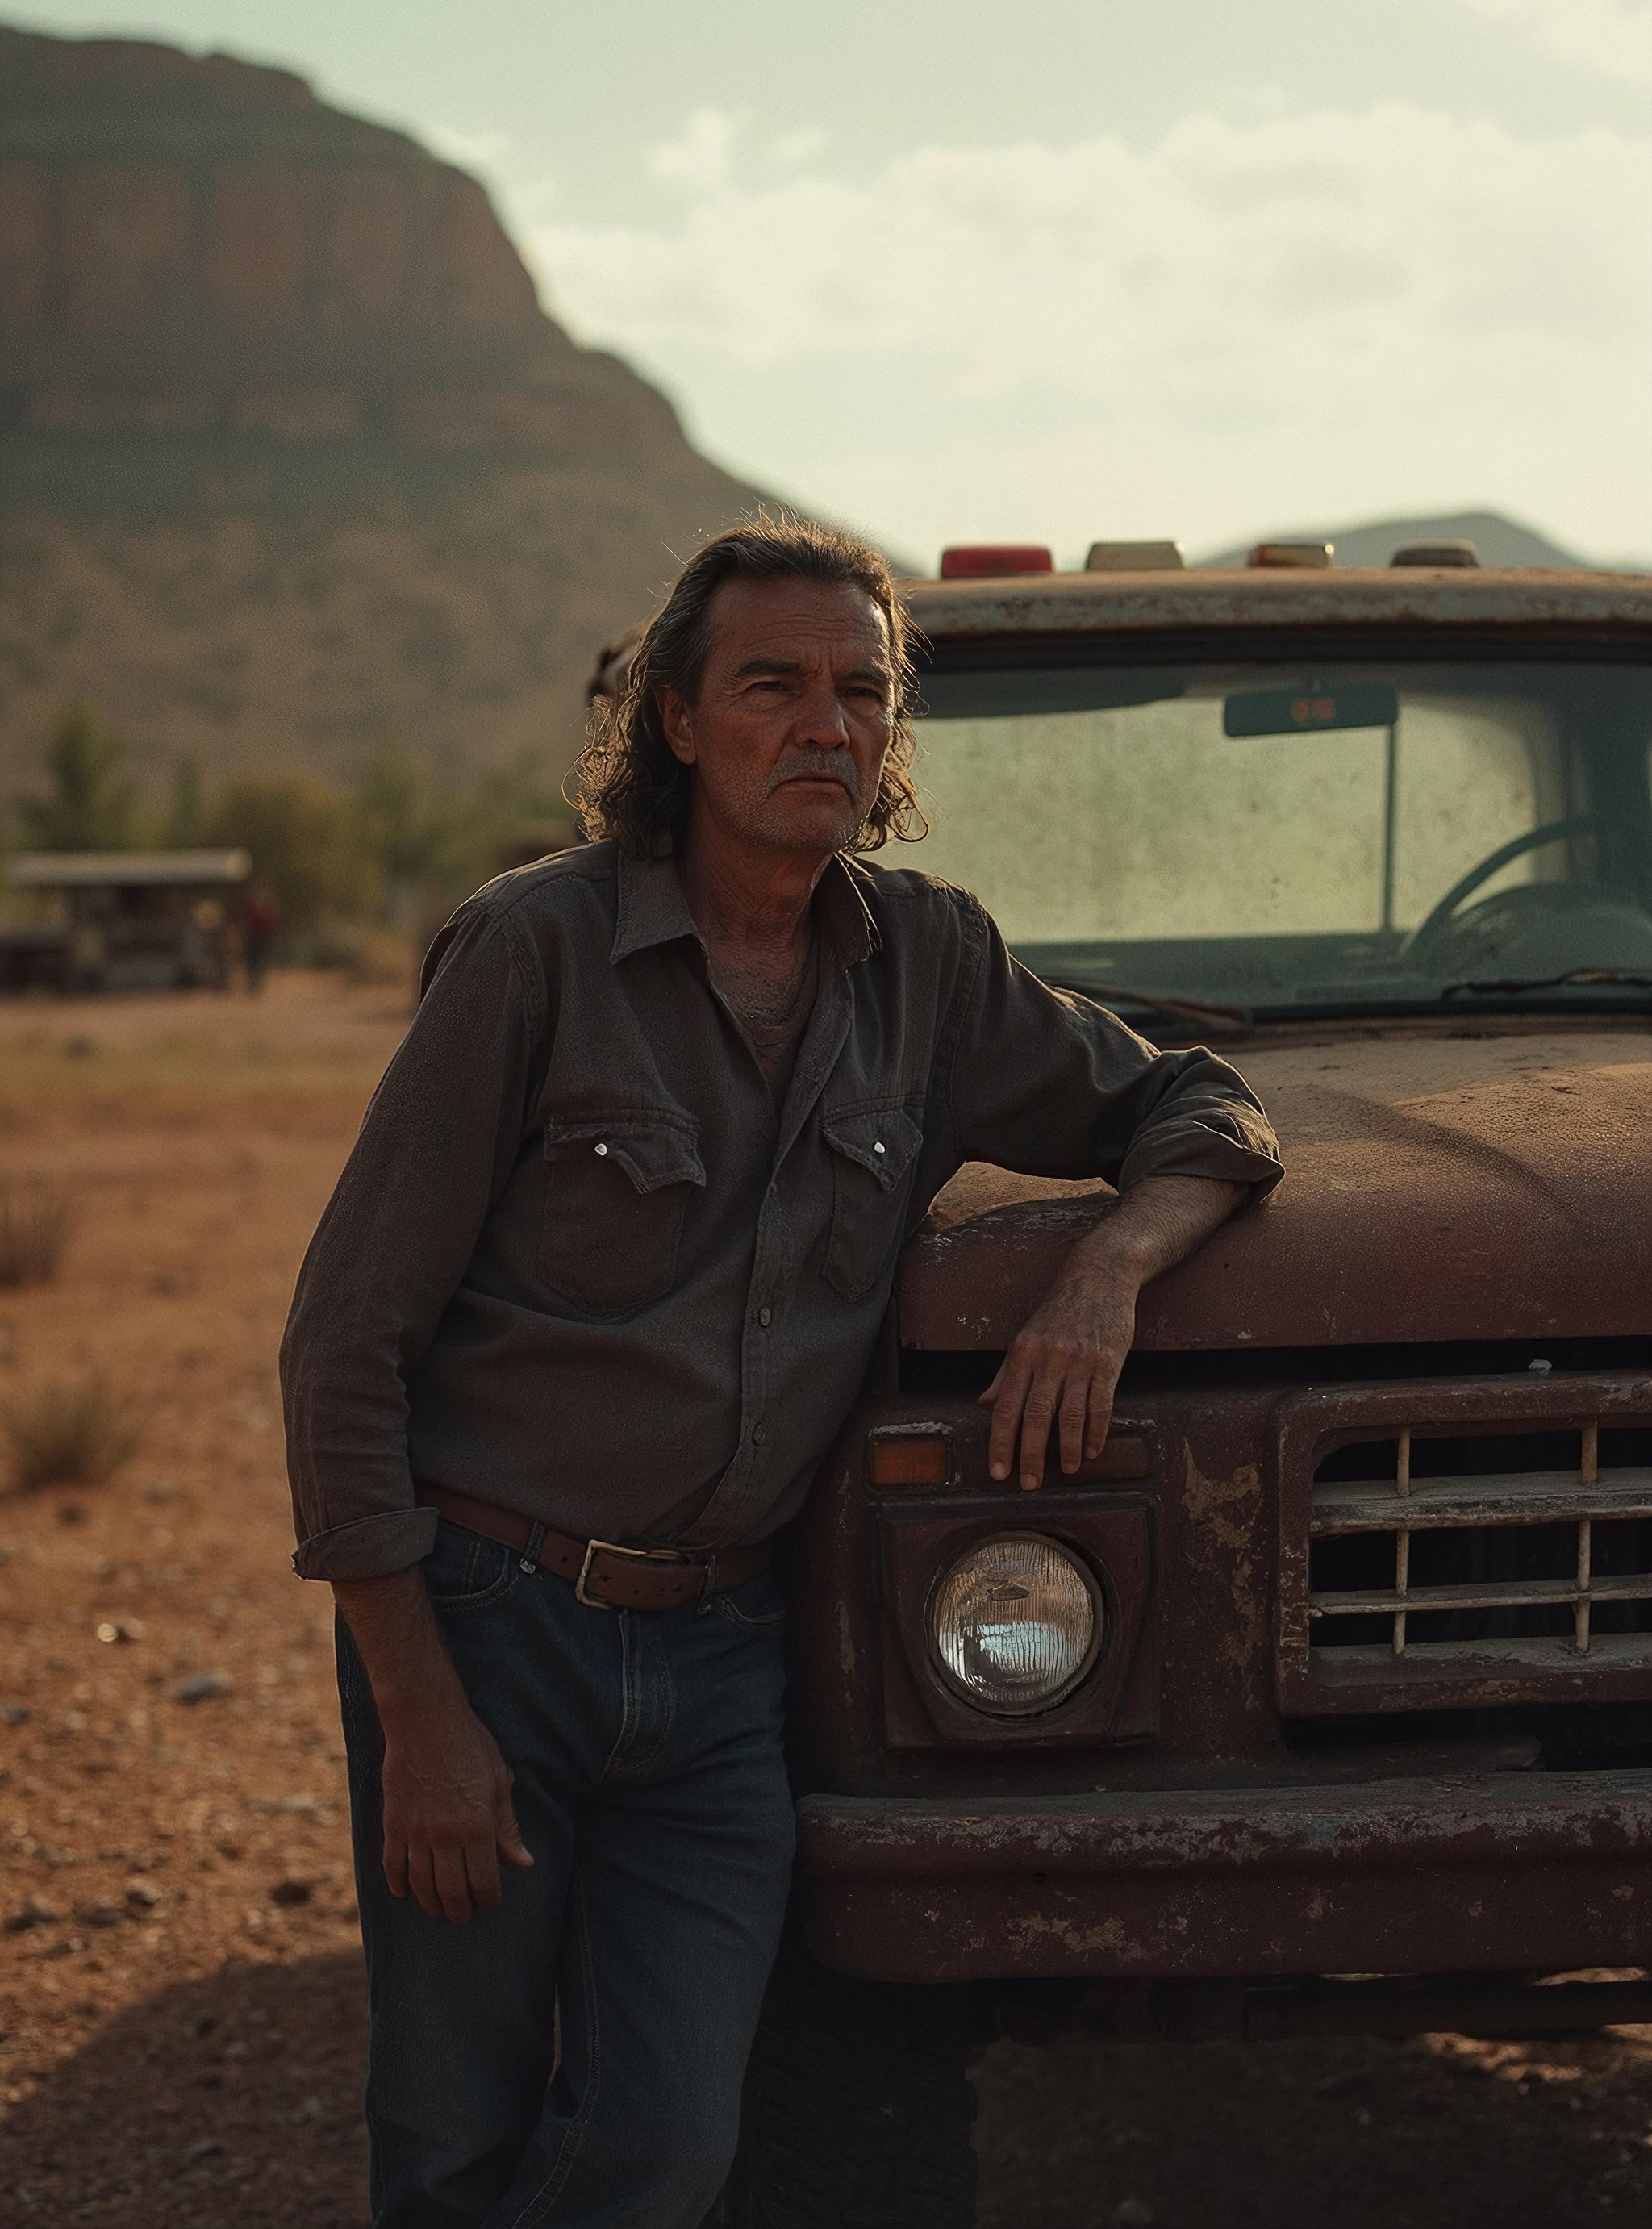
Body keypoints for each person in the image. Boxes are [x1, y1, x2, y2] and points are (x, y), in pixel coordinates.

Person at [280, 516, 1282, 2229]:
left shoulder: (932, 967)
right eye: (773, 684)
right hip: (489, 1619)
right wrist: (419, 1709)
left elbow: (1196, 1111)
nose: (825, 724)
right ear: (675, 717)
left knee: (672, 2140)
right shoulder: (533, 949)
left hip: (726, 1662)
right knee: (452, 2135)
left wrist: (1107, 1270)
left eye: (860, 691)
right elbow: (342, 1342)